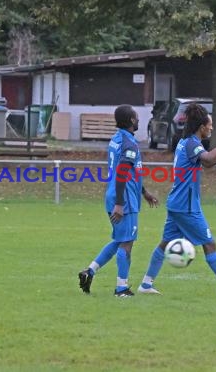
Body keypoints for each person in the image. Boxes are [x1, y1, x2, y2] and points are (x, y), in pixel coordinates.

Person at [138, 103, 216, 296]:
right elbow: (207, 160)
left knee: (166, 242)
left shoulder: (188, 142)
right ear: (202, 127)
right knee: (210, 244)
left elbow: (207, 163)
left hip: (178, 203)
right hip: (186, 206)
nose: (212, 127)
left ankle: (146, 284)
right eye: (210, 125)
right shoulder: (192, 143)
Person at [78, 104, 158, 297]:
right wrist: (121, 204)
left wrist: (144, 192)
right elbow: (123, 173)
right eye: (137, 117)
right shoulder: (129, 144)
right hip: (124, 200)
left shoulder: (117, 139)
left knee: (118, 240)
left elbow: (129, 172)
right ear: (131, 120)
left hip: (115, 195)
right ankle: (121, 288)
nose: (138, 120)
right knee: (127, 243)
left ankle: (89, 271)